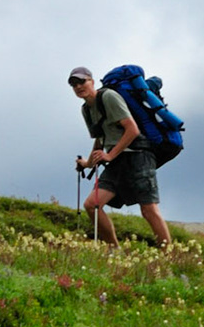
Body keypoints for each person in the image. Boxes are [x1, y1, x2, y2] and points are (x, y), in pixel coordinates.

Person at [70, 66, 171, 247]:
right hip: (117, 161)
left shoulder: (109, 96)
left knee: (148, 209)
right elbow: (100, 140)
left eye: (82, 81)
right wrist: (87, 164)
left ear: (92, 81)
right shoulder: (86, 109)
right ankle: (113, 250)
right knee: (92, 205)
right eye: (74, 84)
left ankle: (169, 255)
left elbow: (132, 129)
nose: (78, 87)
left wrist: (109, 156)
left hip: (139, 155)